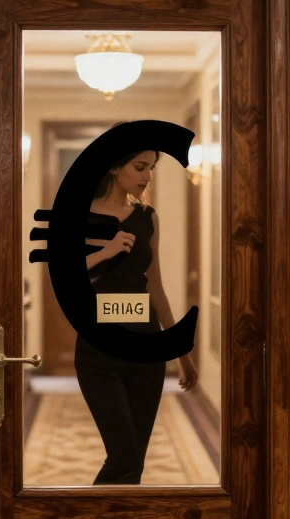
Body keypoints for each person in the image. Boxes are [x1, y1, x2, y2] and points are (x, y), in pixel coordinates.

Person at [77, 149, 199, 484]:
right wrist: (107, 251)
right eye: (140, 167)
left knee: (134, 464)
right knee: (123, 457)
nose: (148, 177)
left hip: (146, 349)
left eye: (152, 168)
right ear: (114, 166)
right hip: (98, 350)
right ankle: (88, 515)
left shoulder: (147, 217)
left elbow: (155, 287)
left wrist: (181, 352)